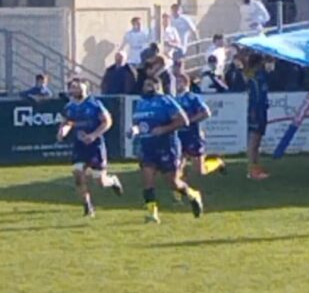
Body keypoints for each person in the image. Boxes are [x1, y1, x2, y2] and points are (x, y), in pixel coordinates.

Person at [130, 76, 201, 223]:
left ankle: (193, 195)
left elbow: (183, 120)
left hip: (167, 146)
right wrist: (134, 130)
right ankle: (153, 214)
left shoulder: (166, 101)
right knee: (147, 180)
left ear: (157, 87)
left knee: (173, 183)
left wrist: (164, 128)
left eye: (150, 84)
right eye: (145, 84)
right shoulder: (140, 103)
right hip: (147, 146)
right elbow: (139, 124)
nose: (146, 87)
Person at [56, 79, 124, 217]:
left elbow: (107, 121)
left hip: (95, 146)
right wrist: (62, 132)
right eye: (73, 88)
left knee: (100, 181)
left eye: (78, 88)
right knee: (77, 173)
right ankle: (87, 206)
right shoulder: (70, 106)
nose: (75, 90)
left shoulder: (95, 104)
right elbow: (67, 122)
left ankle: (112, 181)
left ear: (86, 89)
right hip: (79, 146)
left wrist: (94, 135)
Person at [173, 73, 226, 179]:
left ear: (185, 83)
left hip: (193, 135)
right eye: (175, 82)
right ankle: (179, 186)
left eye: (179, 82)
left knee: (200, 171)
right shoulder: (173, 99)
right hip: (178, 135)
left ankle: (216, 162)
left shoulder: (192, 97)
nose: (176, 84)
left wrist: (190, 120)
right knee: (177, 166)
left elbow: (206, 113)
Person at [245, 52, 271, 180]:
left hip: (260, 110)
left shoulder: (260, 76)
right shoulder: (255, 78)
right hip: (257, 111)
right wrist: (255, 111)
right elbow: (256, 97)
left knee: (257, 141)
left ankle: (255, 168)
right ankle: (251, 170)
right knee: (254, 140)